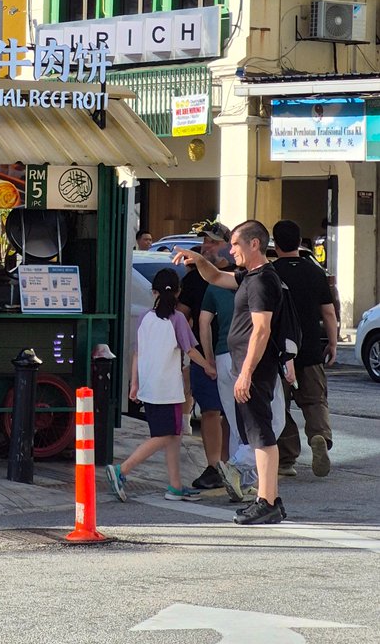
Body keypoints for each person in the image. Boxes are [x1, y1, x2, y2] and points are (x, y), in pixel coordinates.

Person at [174, 220, 286, 526]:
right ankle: (269, 499)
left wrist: (246, 373)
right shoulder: (250, 276)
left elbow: (261, 331)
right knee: (256, 434)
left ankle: (267, 501)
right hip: (246, 366)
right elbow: (216, 276)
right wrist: (198, 259)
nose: (230, 249)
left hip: (255, 369)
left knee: (261, 435)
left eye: (236, 244)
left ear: (254, 244)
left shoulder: (262, 281)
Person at [105, 268, 216, 503]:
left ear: (153, 291)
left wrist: (134, 384)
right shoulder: (178, 319)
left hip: (149, 386)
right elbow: (190, 350)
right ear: (178, 292)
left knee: (173, 435)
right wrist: (208, 366)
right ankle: (122, 470)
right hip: (168, 390)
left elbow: (137, 353)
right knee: (166, 436)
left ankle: (175, 486)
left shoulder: (145, 318)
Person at [272, 218, 337, 478]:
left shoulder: (271, 273)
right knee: (315, 401)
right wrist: (332, 342)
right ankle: (319, 436)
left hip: (279, 351)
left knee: (281, 406)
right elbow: (328, 312)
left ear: (276, 245)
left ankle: (287, 459)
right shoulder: (315, 272)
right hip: (310, 349)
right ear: (300, 242)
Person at [178, 221, 232, 490]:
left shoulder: (238, 275)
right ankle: (214, 466)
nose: (206, 246)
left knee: (233, 412)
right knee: (210, 410)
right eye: (205, 241)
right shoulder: (192, 279)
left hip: (235, 353)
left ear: (227, 246)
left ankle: (230, 464)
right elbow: (181, 316)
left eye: (213, 241)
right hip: (204, 355)